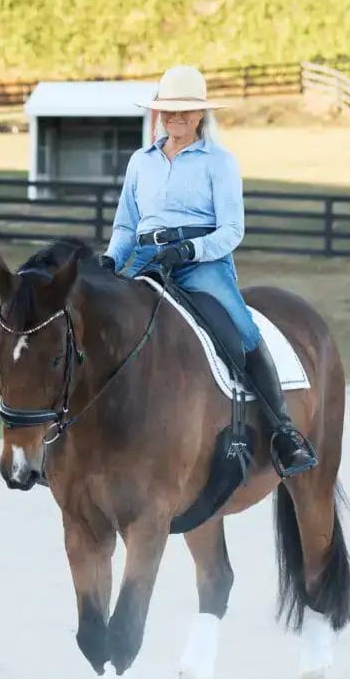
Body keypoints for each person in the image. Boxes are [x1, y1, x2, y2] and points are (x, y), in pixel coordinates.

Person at [106, 63, 316, 475]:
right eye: (169, 109)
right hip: (146, 257)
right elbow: (126, 224)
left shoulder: (218, 162)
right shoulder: (141, 161)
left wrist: (190, 249)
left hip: (201, 262)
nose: (176, 117)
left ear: (201, 114)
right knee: (103, 323)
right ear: (158, 113)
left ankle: (283, 431)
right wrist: (110, 261)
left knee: (241, 329)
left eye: (185, 110)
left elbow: (233, 230)